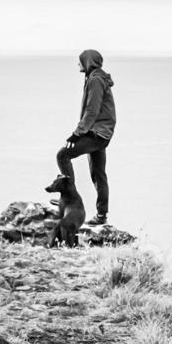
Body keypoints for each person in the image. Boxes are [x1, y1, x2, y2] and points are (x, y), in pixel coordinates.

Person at [57, 49, 115, 227]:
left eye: (80, 61)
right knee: (98, 175)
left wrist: (77, 133)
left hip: (97, 133)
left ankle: (71, 201)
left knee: (63, 155)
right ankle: (101, 216)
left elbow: (92, 110)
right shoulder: (95, 77)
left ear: (87, 62)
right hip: (101, 133)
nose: (78, 64)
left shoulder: (96, 80)